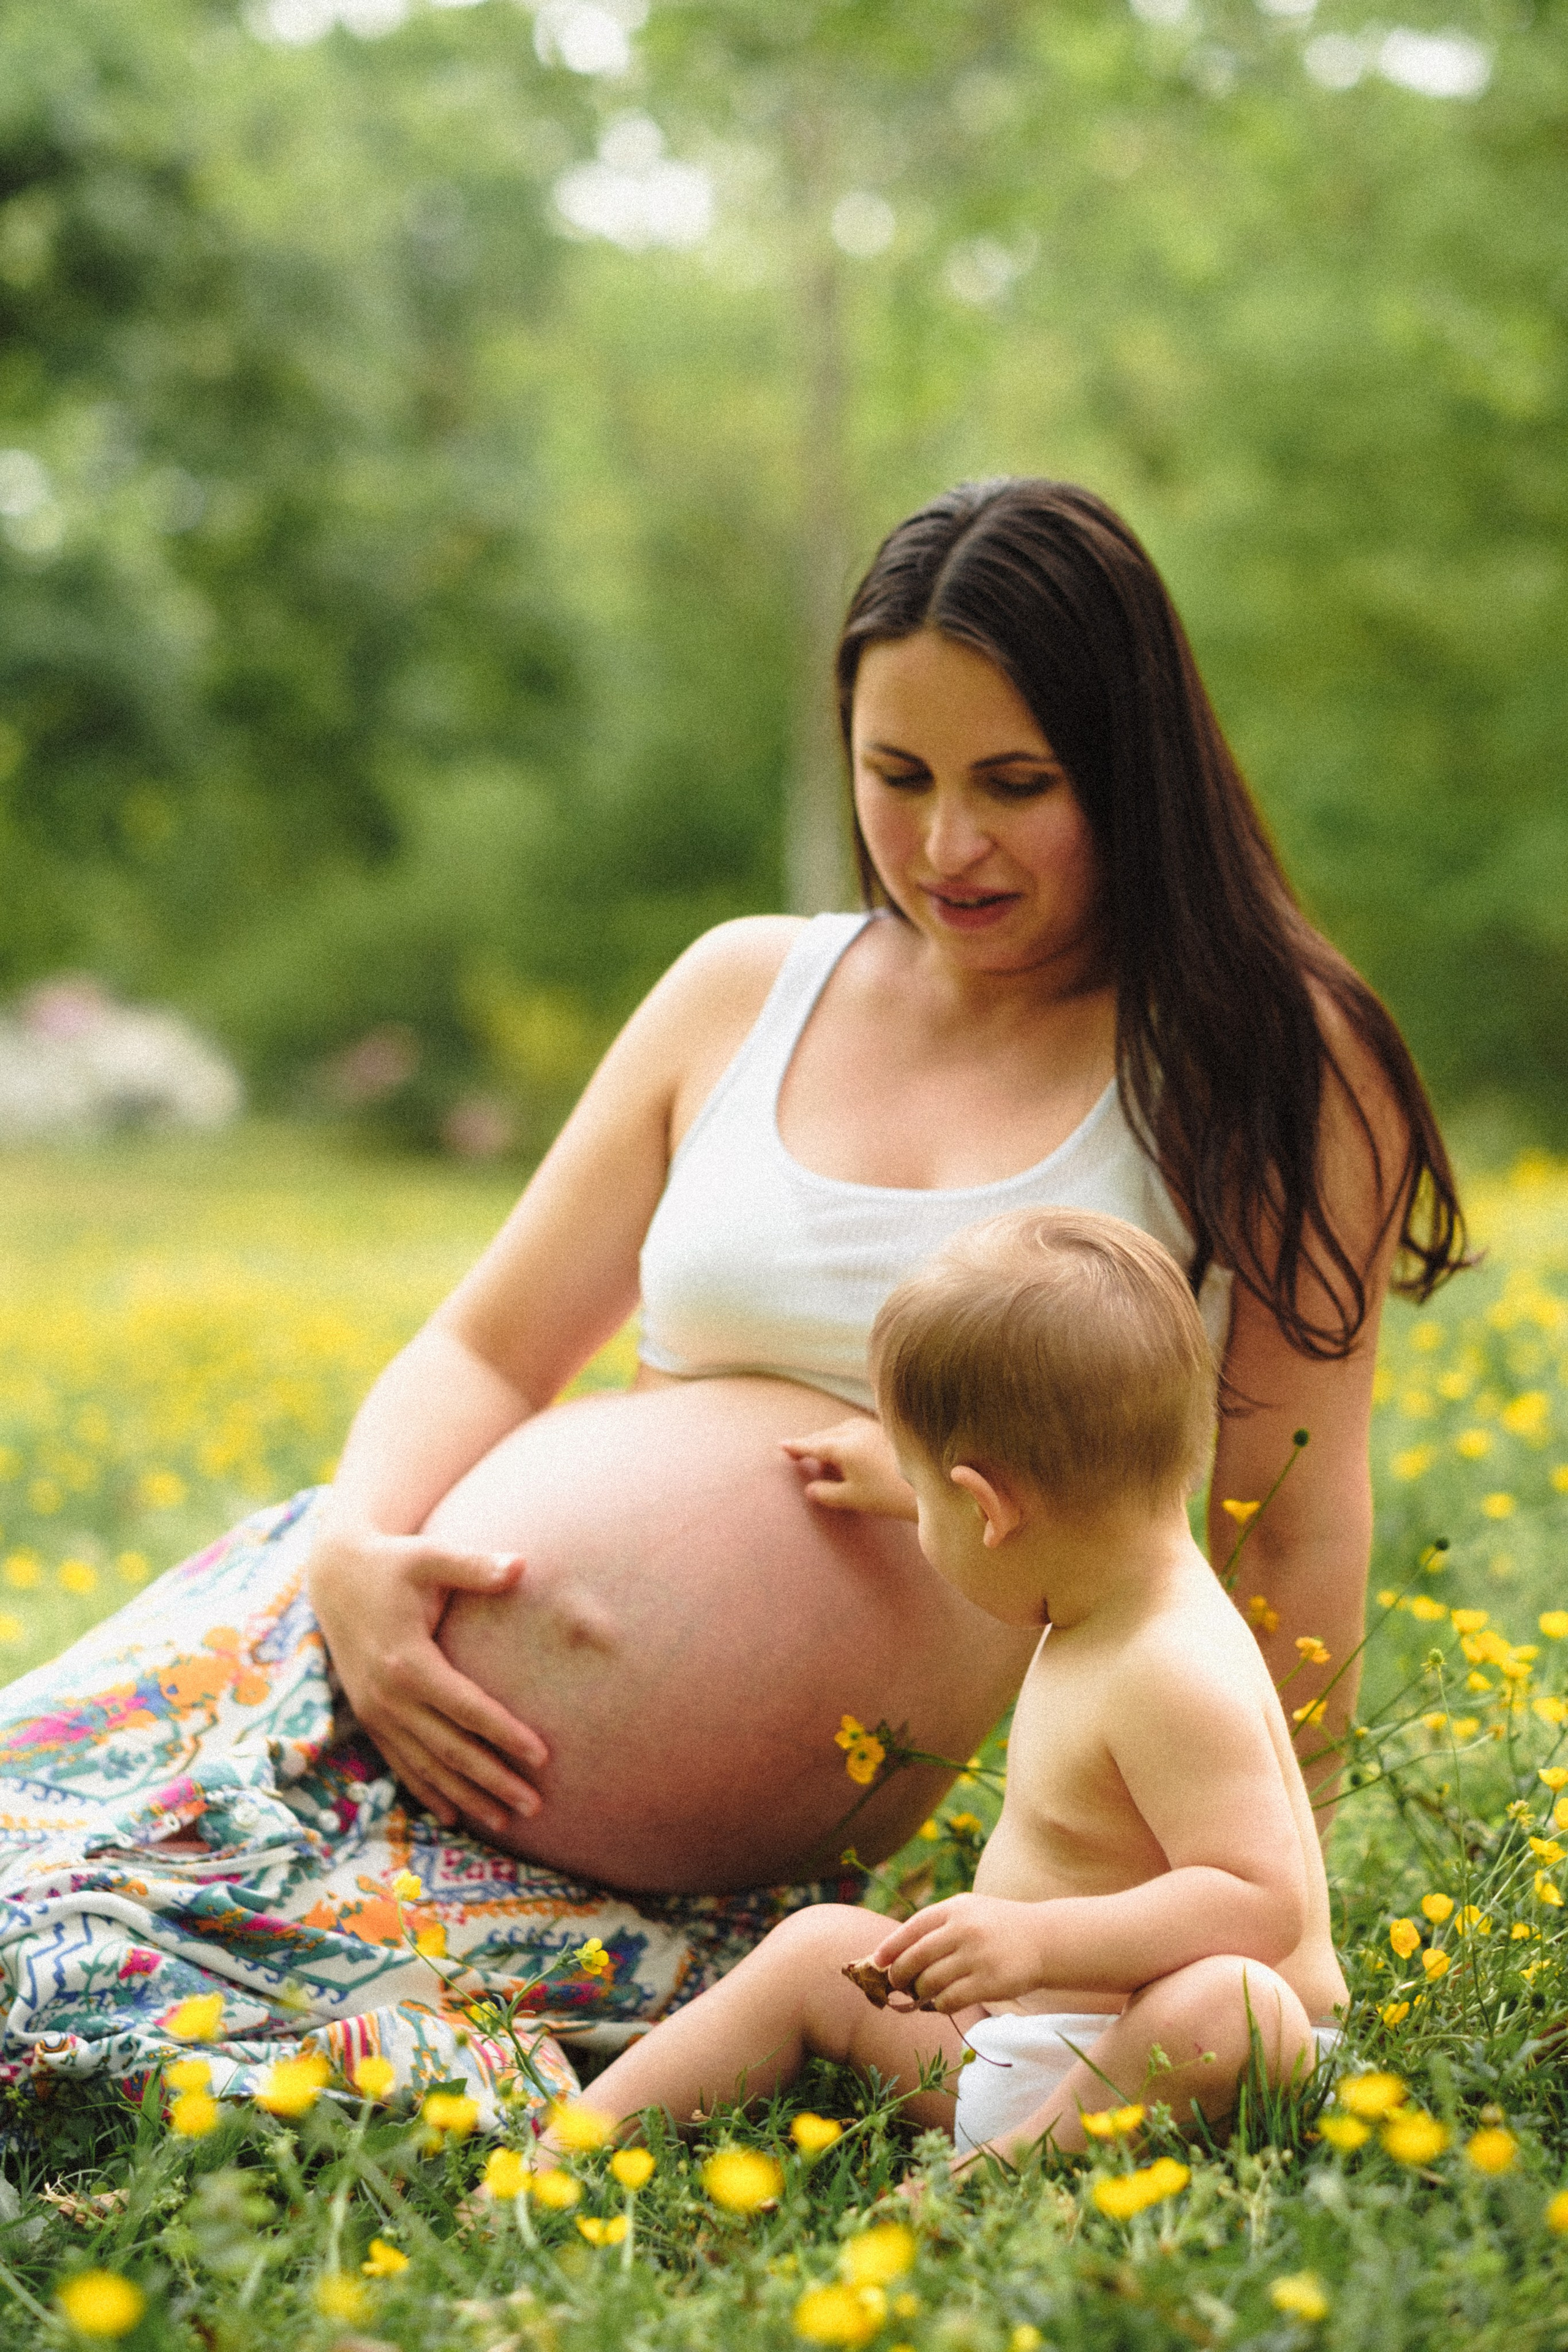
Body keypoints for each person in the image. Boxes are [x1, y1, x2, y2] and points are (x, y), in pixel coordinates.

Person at [0, 478, 1458, 2112]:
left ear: (1133, 773)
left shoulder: (1265, 1066)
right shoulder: (742, 987)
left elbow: (1291, 1511)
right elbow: (486, 1346)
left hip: (671, 1893)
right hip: (320, 1645)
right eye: (895, 775)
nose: (944, 845)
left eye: (1016, 785)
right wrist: (355, 1548)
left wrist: (1276, 1901)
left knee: (82, 2026)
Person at [556, 1207, 1347, 2163]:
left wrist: (1039, 1943)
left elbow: (1259, 1904)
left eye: (932, 1502)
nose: (925, 1523)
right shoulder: (1117, 1585)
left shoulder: (1170, 1667)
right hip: (1039, 2052)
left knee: (1236, 2003)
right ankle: (559, 2152)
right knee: (818, 1948)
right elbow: (1033, 1496)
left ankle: (985, 2185)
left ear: (986, 1507)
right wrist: (905, 1479)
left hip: (1171, 2077)